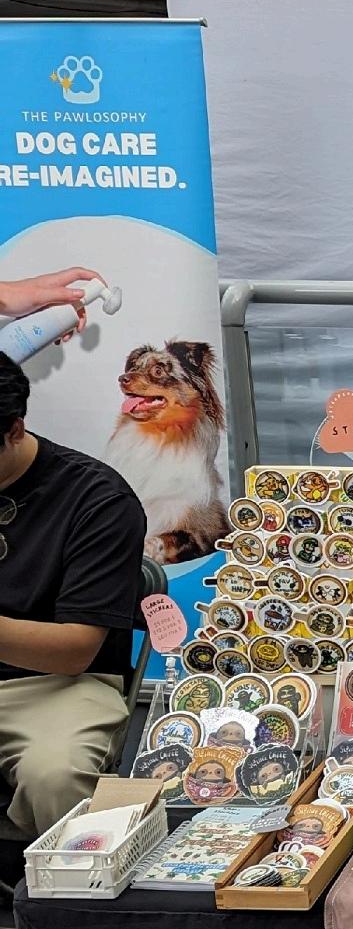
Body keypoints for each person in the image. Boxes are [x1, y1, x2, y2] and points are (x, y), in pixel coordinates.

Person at [0, 351, 146, 848]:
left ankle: (69, 893)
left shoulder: (97, 500)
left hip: (62, 685)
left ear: (14, 429)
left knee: (56, 773)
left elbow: (74, 650)